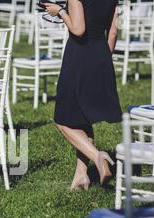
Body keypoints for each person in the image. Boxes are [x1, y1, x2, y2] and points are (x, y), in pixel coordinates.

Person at [44, 0, 122, 191]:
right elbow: (112, 32)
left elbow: (78, 30)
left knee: (62, 120)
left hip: (79, 57)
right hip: (101, 55)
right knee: (82, 119)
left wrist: (60, 11)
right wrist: (103, 59)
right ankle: (81, 176)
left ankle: (98, 157)